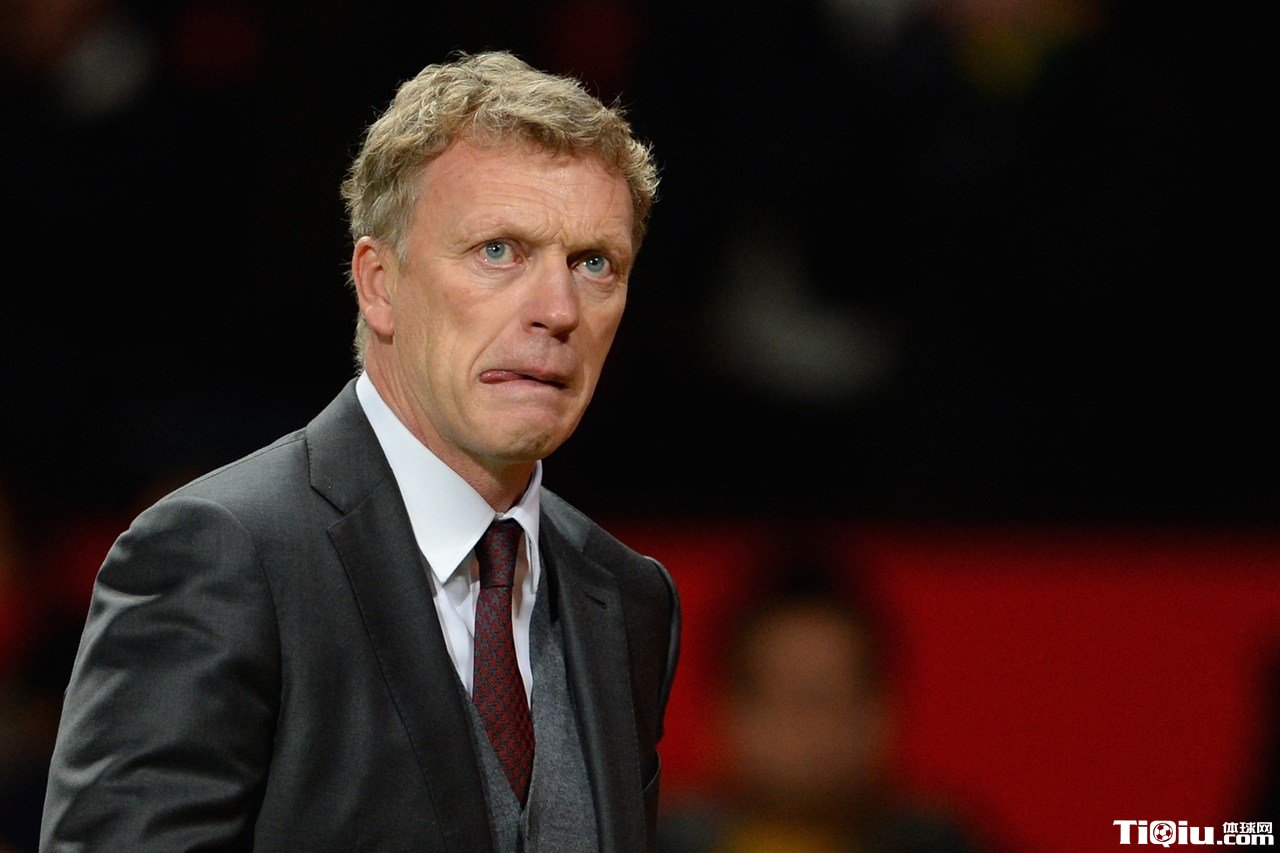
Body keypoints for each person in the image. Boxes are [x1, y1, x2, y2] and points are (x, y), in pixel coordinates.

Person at [41, 50, 680, 852]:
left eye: (594, 263)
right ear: (378, 283)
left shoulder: (627, 598)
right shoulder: (220, 556)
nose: (557, 309)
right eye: (499, 250)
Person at [659, 567, 982, 853]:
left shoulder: (940, 843)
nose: (814, 724)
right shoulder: (651, 839)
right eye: (790, 697)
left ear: (886, 711)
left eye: (834, 696)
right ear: (725, 712)